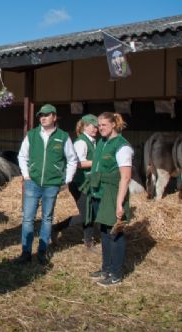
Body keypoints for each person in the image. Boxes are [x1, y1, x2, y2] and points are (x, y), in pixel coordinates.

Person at [16, 104, 78, 265]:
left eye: (46, 115)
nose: (42, 117)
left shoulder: (63, 137)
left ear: (54, 117)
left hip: (52, 184)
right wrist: (26, 175)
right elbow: (22, 156)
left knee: (47, 218)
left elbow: (72, 159)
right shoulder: (32, 135)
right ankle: (26, 252)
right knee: (28, 218)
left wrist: (67, 179)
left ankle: (42, 251)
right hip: (33, 183)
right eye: (40, 115)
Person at [86, 112, 133, 286]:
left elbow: (126, 177)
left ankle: (116, 273)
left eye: (104, 125)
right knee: (105, 232)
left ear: (114, 124)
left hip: (112, 193)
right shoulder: (102, 143)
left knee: (115, 233)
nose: (100, 128)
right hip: (99, 192)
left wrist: (120, 202)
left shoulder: (122, 146)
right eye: (98, 125)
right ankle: (106, 268)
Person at [69, 114, 99, 252]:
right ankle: (56, 228)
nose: (96, 129)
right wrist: (98, 162)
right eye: (93, 126)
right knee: (86, 214)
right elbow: (79, 163)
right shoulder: (81, 142)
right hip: (79, 183)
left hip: (88, 182)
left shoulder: (92, 141)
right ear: (85, 126)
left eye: (97, 127)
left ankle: (88, 241)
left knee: (90, 213)